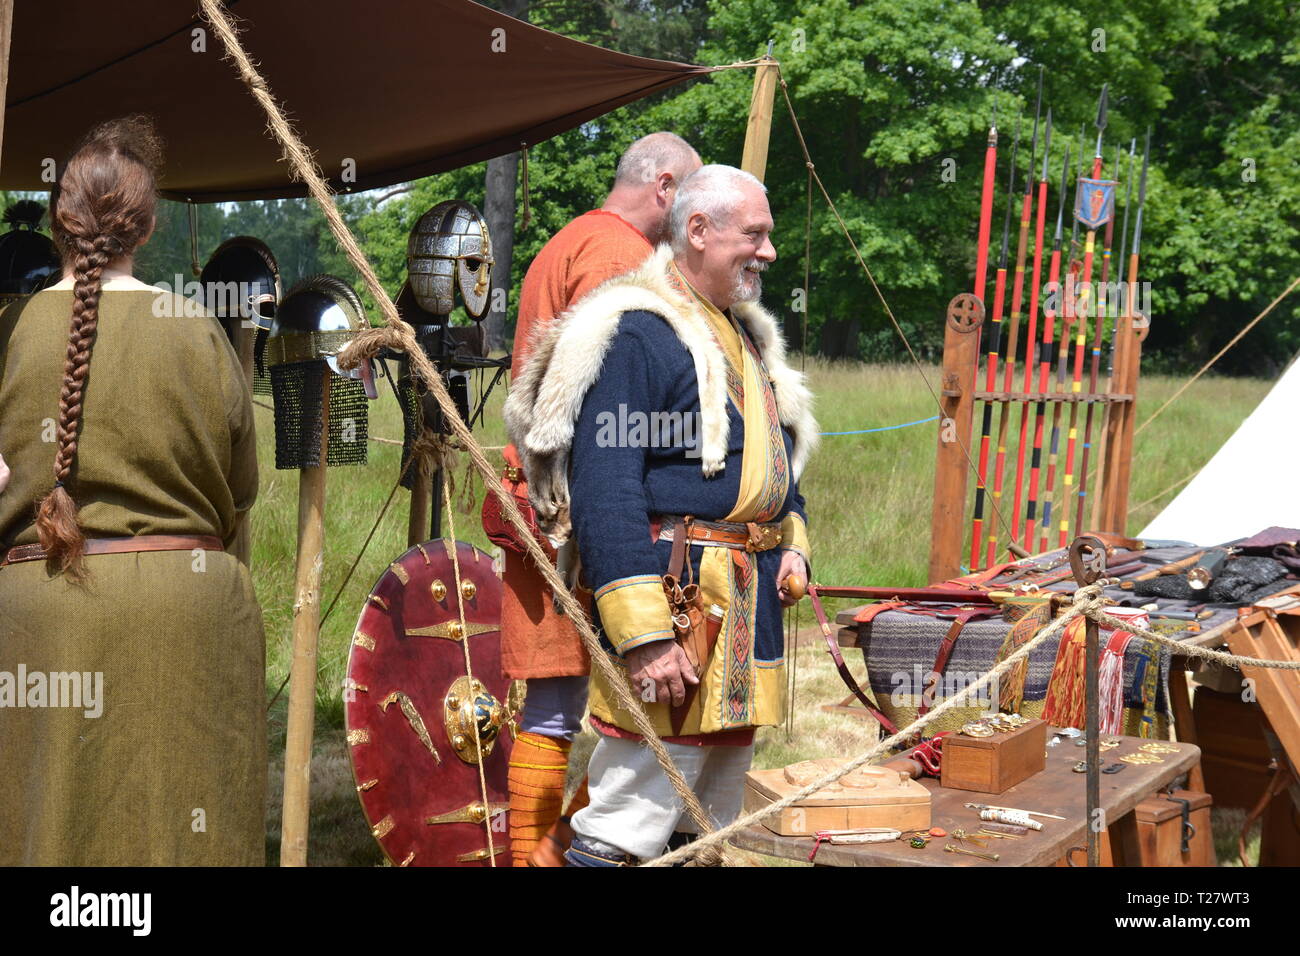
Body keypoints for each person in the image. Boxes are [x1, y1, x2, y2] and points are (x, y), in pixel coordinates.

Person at [504, 164, 818, 866]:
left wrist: (789, 538)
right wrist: (644, 635)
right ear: (698, 231)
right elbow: (606, 491)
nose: (768, 252)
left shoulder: (742, 335)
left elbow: (772, 462)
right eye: (755, 234)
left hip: (744, 608)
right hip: (681, 609)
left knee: (703, 821)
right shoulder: (638, 335)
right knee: (627, 821)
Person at [0, 117, 266, 865]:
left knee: (40, 834)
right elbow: (240, 489)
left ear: (59, 220)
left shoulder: (10, 329)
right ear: (143, 228)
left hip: (39, 616)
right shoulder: (196, 327)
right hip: (186, 612)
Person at [496, 132, 700, 865]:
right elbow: (604, 407)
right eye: (694, 199)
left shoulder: (571, 239)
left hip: (552, 503)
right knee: (628, 708)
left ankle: (544, 854)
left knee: (558, 706)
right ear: (667, 187)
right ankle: (552, 856)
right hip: (585, 514)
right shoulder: (618, 260)